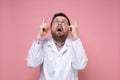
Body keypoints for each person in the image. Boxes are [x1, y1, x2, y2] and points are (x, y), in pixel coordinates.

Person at [27, 13, 88, 80]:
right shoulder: (42, 43)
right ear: (50, 28)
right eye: (56, 21)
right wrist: (39, 36)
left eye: (64, 22)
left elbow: (80, 65)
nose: (59, 24)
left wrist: (75, 36)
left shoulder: (74, 44)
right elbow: (32, 63)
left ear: (69, 29)